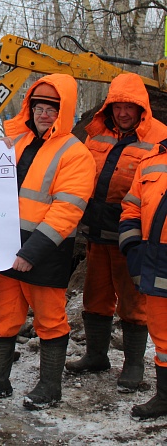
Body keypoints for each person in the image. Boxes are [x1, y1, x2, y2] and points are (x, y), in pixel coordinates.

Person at [0, 74, 95, 410]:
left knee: (50, 320)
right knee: (0, 315)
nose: (44, 113)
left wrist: (31, 252)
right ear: (30, 107)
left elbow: (67, 211)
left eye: (53, 108)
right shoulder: (14, 143)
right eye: (39, 106)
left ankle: (50, 387)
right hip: (5, 248)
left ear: (63, 112)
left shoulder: (75, 154)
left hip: (44, 252)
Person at [65, 73, 167, 392]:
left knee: (134, 303)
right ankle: (96, 356)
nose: (123, 112)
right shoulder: (95, 135)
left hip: (134, 237)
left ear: (142, 109)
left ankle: (134, 365)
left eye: (130, 106)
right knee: (95, 298)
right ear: (109, 107)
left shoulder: (159, 138)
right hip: (95, 232)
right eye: (117, 106)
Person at [119, 138, 167, 419]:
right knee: (162, 335)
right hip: (156, 259)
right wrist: (132, 246)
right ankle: (164, 397)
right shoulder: (150, 162)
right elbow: (131, 207)